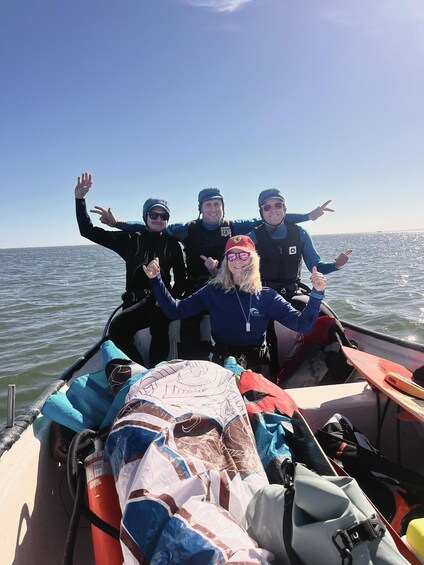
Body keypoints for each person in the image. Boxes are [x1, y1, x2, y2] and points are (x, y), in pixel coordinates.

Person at [91, 190, 332, 360]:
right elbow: (152, 226)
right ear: (201, 209)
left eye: (217, 204)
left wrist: (307, 218)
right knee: (186, 323)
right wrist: (120, 224)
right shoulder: (187, 231)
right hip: (204, 290)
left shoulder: (264, 293)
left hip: (238, 303)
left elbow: (271, 218)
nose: (213, 209)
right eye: (208, 205)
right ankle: (191, 366)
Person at [142, 235, 326, 375]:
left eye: (243, 255)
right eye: (232, 256)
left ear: (253, 259)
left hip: (257, 367)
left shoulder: (267, 296)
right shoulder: (213, 291)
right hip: (221, 366)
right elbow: (176, 311)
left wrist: (316, 293)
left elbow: (303, 324)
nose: (237, 260)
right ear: (226, 261)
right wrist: (155, 279)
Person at [74, 172, 186, 367]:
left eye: (163, 216)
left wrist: (170, 299)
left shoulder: (173, 245)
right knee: (116, 330)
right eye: (154, 215)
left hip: (161, 302)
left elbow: (181, 280)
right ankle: (139, 370)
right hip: (134, 302)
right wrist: (80, 199)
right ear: (145, 217)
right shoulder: (129, 241)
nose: (159, 219)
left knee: (160, 326)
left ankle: (156, 373)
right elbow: (87, 231)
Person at [249, 188, 352, 297]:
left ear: (284, 208)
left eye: (278, 205)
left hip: (293, 293)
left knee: (318, 312)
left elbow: (316, 267)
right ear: (261, 212)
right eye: (267, 207)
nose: (273, 210)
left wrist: (336, 265)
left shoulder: (300, 234)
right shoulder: (252, 237)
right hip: (262, 295)